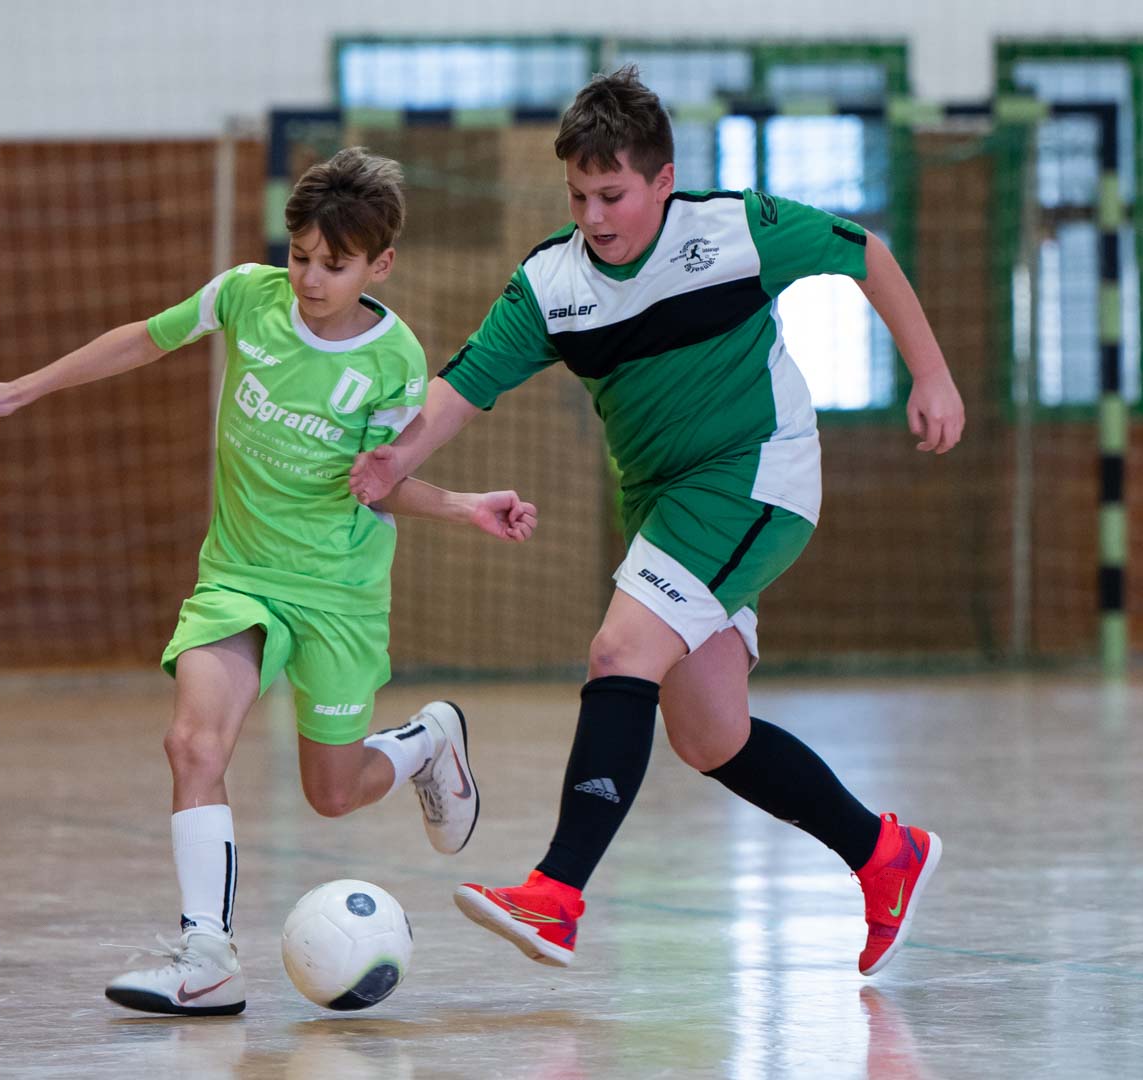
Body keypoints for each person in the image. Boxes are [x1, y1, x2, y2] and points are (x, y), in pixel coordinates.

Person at [350, 67, 962, 978]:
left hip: (754, 473)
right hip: (659, 499)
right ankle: (884, 855)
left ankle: (557, 893)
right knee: (709, 735)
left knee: (618, 652)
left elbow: (862, 251)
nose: (593, 216)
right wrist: (396, 459)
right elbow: (464, 385)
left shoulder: (734, 231)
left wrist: (931, 374)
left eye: (613, 194)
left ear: (663, 181)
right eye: (577, 196)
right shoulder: (551, 283)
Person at [0, 147, 537, 1015]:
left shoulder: (394, 361)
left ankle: (425, 741)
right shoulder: (246, 297)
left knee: (332, 794)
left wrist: (463, 504)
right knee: (192, 745)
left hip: (335, 590)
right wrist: (24, 390)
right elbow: (146, 337)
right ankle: (208, 958)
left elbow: (380, 483)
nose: (309, 279)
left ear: (379, 266)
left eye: (333, 265)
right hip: (238, 576)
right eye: (299, 256)